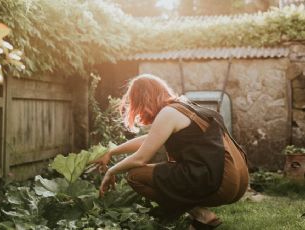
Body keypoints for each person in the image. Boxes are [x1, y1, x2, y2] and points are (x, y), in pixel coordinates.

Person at [92, 74, 249, 230]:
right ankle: (199, 219)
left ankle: (201, 215)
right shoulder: (182, 107)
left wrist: (111, 171)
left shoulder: (168, 113)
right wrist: (112, 152)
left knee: (135, 176)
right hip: (237, 182)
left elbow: (141, 158)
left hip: (221, 184)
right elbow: (150, 139)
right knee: (161, 171)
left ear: (144, 99)